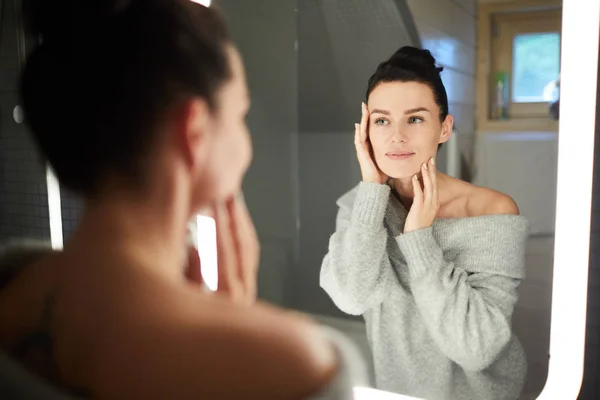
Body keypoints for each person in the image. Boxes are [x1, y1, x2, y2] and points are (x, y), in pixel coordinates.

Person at [0, 0, 368, 399]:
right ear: (194, 132)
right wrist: (235, 334)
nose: (248, 144)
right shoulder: (295, 369)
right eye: (240, 115)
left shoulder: (12, 288)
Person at [319, 46, 528, 400]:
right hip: (396, 390)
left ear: (444, 128)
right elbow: (353, 298)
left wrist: (419, 239)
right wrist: (372, 191)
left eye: (415, 119)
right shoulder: (360, 206)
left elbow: (477, 348)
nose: (396, 136)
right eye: (382, 120)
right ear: (366, 129)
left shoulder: (492, 211)